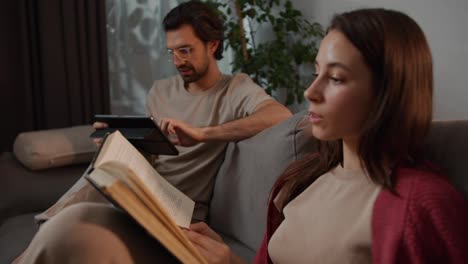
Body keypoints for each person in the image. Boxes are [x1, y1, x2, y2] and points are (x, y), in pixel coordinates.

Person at [16, 7, 468, 264]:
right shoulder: (301, 180)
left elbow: (271, 114)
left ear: (388, 89)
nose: (309, 91)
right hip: (166, 212)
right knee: (72, 228)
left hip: (183, 210)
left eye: (336, 77)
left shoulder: (421, 204)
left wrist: (203, 134)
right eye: (315, 73)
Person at [33, 0, 291, 225]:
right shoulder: (160, 91)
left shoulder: (235, 88)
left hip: (182, 211)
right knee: (102, 172)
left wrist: (203, 134)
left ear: (212, 45)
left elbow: (279, 116)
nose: (178, 60)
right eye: (172, 52)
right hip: (143, 196)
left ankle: (50, 226)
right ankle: (53, 226)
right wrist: (119, 141)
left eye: (186, 50)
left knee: (72, 225)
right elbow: (150, 155)